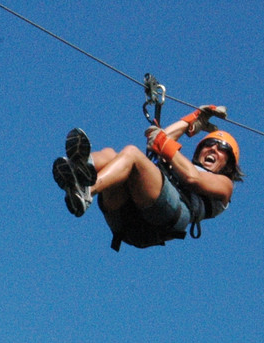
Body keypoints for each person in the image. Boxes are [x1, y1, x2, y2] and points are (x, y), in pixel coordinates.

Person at [51, 106, 243, 250]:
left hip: (165, 218)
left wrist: (163, 143)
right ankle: (79, 169)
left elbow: (193, 178)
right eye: (208, 144)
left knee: (132, 154)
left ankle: (85, 191)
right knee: (111, 155)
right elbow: (159, 141)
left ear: (229, 163)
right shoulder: (180, 163)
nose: (213, 149)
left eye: (222, 149)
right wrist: (192, 121)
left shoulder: (224, 185)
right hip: (126, 214)